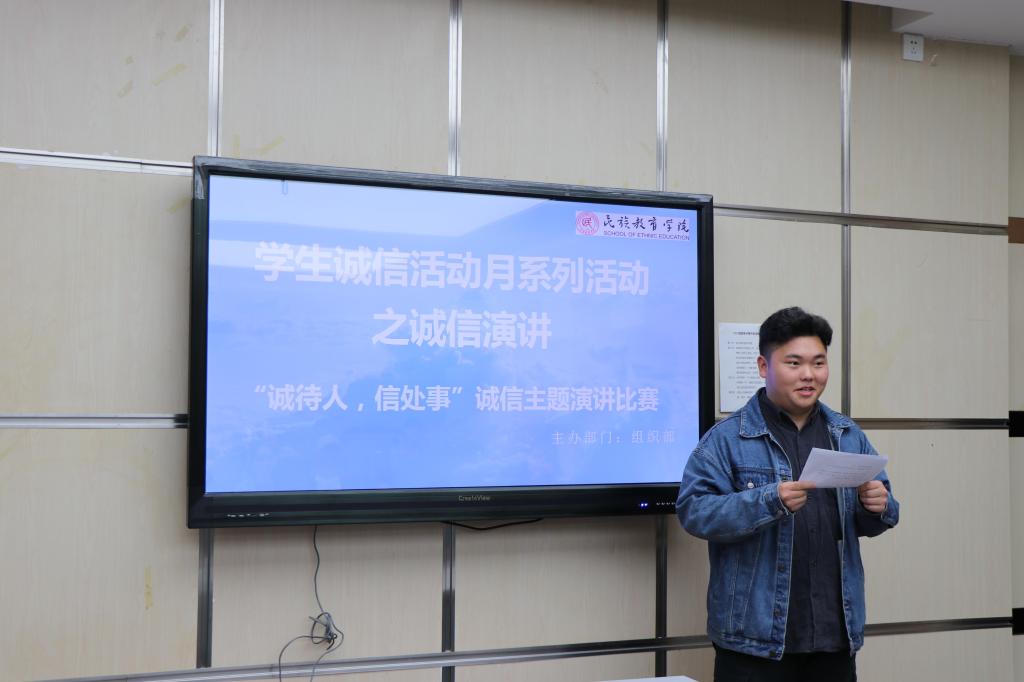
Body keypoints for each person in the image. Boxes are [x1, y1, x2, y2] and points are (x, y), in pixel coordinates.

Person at [677, 307, 898, 682]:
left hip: (833, 635)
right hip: (754, 643)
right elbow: (694, 512)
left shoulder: (846, 434)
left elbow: (880, 512)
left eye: (818, 363)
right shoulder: (727, 438)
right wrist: (769, 501)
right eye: (794, 363)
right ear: (764, 366)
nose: (809, 375)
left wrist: (877, 506)